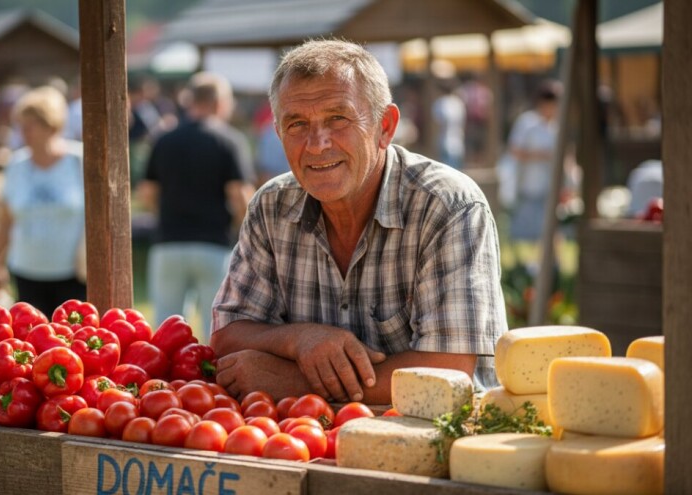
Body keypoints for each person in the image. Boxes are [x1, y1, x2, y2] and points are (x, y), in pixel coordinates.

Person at [210, 40, 506, 404]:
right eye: (297, 124)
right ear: (278, 134)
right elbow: (226, 336)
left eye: (338, 118)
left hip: (442, 444)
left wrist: (293, 380)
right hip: (311, 445)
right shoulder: (271, 206)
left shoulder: (447, 206)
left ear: (385, 126)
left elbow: (447, 370)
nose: (317, 144)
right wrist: (301, 339)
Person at [138, 72, 255, 343]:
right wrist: (241, 228)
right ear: (219, 102)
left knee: (166, 330)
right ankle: (212, 386)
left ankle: (164, 385)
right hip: (213, 243)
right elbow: (240, 195)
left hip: (168, 242)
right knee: (217, 329)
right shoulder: (229, 140)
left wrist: (165, 214)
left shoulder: (164, 139)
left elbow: (147, 192)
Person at [0, 86, 86, 317]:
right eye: (21, 126)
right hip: (26, 271)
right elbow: (5, 220)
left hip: (73, 275)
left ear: (51, 126)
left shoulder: (78, 161)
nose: (24, 132)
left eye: (31, 126)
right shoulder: (16, 165)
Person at [506, 80, 562, 243]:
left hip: (550, 183)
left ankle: (551, 262)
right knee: (527, 228)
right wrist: (544, 155)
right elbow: (515, 150)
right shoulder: (527, 122)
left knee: (551, 225)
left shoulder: (556, 126)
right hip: (528, 183)